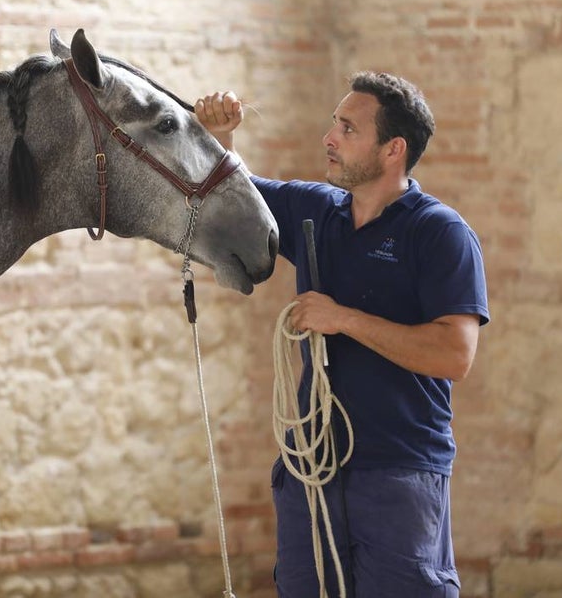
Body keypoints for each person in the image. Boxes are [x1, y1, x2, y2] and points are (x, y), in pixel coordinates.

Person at [195, 73, 489, 598]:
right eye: (335, 123)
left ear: (393, 149)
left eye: (348, 129)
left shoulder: (440, 232)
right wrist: (222, 136)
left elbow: (455, 355)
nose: (329, 138)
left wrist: (344, 319)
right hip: (310, 469)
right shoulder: (315, 209)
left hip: (398, 471)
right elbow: (235, 197)